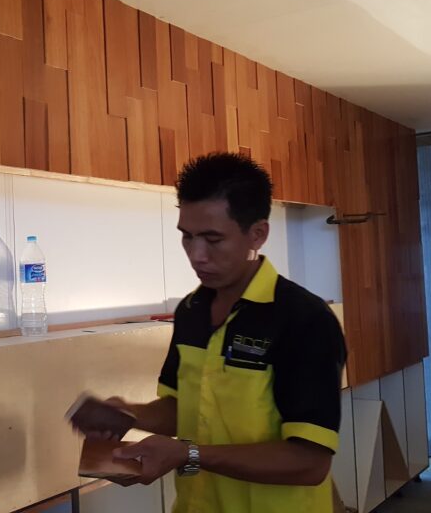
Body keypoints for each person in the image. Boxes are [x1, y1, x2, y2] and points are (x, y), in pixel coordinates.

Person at [72, 153, 347, 513]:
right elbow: (183, 407)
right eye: (187, 237)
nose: (196, 255)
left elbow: (310, 462)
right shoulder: (192, 311)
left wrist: (188, 454)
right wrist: (129, 415)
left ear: (258, 234)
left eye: (213, 239)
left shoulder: (304, 319)